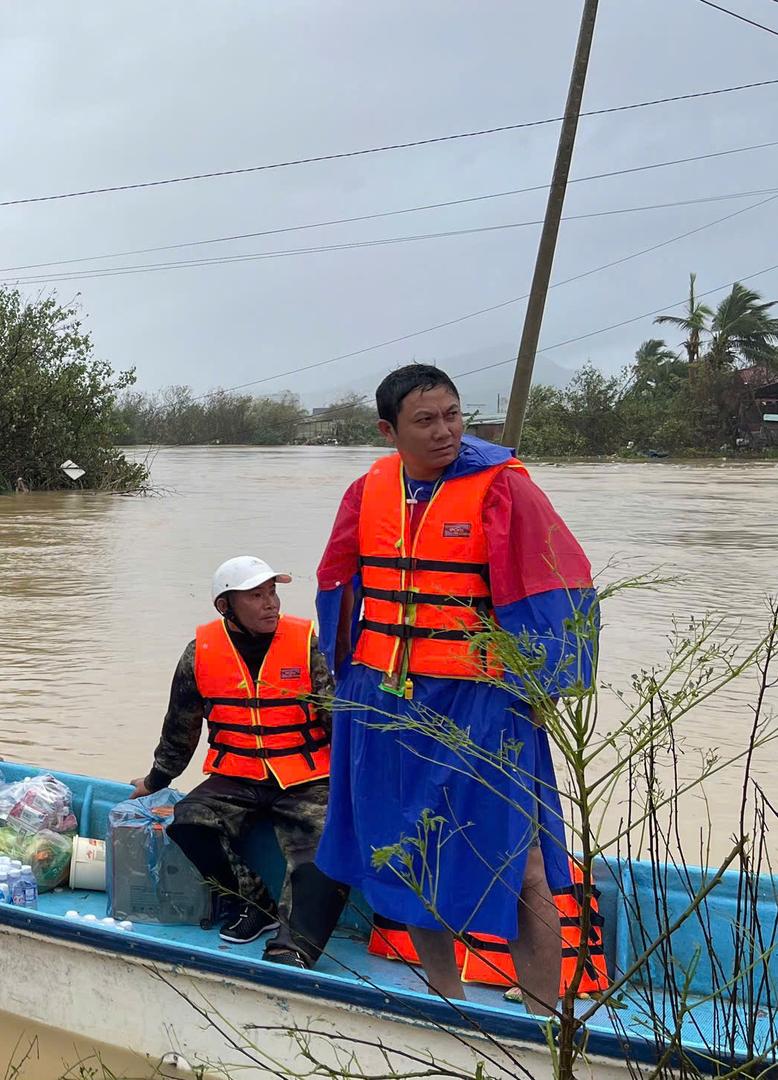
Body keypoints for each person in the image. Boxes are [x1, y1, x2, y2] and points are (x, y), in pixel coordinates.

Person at [314, 363, 596, 1015]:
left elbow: (558, 588)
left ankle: (543, 1017)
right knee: (404, 852)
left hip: (483, 701)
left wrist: (545, 686)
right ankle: (445, 999)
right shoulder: (366, 491)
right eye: (425, 421)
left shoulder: (505, 489)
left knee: (521, 860)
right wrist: (342, 686)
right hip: (385, 698)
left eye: (453, 415)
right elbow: (337, 584)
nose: (444, 432)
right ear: (389, 430)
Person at [128, 557, 350, 969]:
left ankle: (294, 947)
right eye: (256, 596)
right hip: (237, 775)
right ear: (226, 606)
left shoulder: (308, 645)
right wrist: (157, 778)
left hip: (306, 776)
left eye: (272, 593)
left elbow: (338, 719)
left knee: (326, 841)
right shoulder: (199, 654)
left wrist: (357, 784)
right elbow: (181, 727)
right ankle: (255, 905)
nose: (271, 604)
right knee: (188, 819)